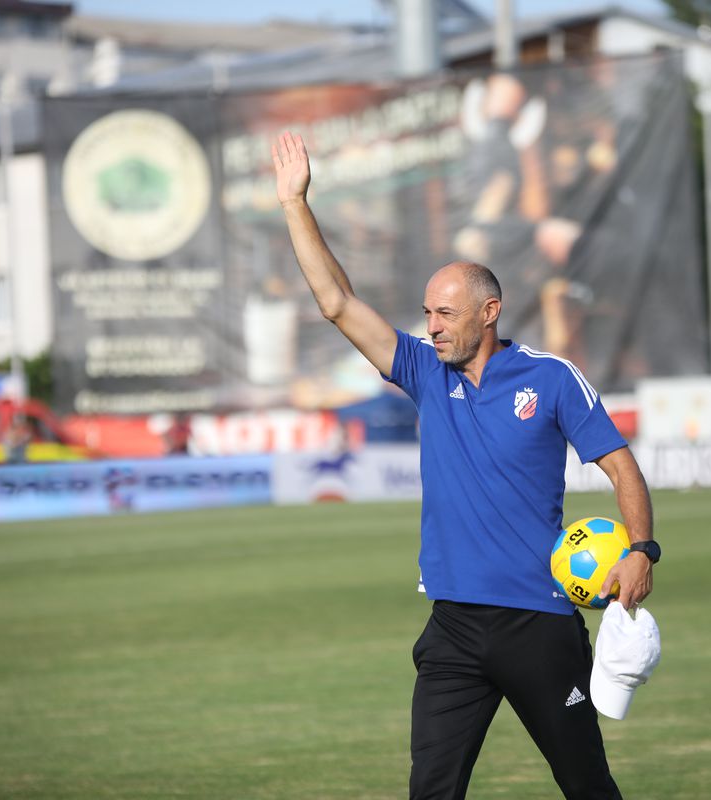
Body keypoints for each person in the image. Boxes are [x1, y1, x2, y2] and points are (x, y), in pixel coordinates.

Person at [272, 131, 659, 800]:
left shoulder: (552, 378)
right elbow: (336, 303)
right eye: (427, 314)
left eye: (445, 313)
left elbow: (622, 467)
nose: (432, 327)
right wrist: (295, 203)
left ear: (490, 311)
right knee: (432, 793)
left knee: (588, 787)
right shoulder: (424, 372)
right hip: (452, 627)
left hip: (538, 624)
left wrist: (643, 549)